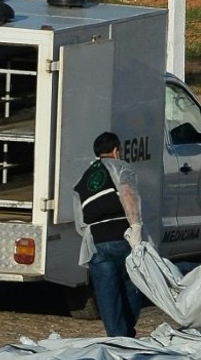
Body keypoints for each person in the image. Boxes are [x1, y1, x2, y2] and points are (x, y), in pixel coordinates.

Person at [73, 131, 143, 337]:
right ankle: (128, 336)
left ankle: (117, 340)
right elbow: (128, 194)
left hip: (97, 242)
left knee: (107, 298)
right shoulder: (121, 167)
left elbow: (80, 221)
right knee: (133, 285)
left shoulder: (82, 179)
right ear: (116, 151)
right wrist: (136, 225)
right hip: (123, 236)